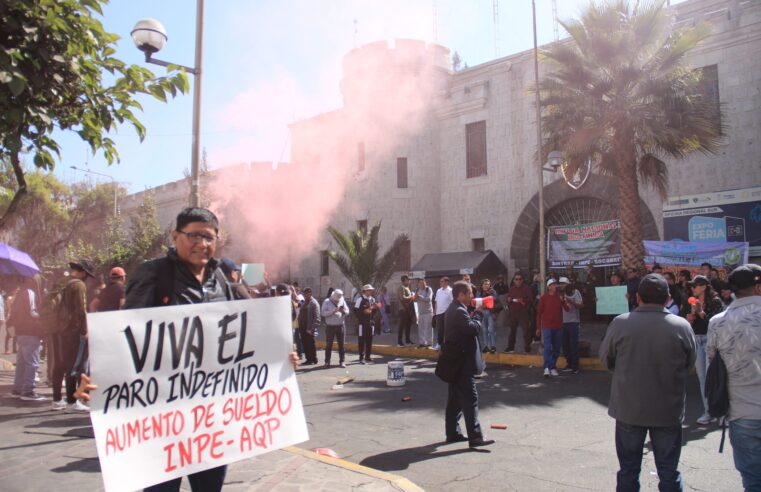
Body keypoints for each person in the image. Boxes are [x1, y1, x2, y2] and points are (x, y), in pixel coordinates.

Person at [599, 273, 696, 491]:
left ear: (638, 297)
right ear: (667, 298)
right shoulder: (681, 326)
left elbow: (606, 360)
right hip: (667, 410)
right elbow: (689, 363)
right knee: (669, 472)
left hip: (629, 409)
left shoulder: (620, 323)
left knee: (628, 470)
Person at [707, 264, 761, 490]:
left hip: (741, 413)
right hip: (742, 412)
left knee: (752, 480)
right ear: (758, 287)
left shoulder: (717, 322)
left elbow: (713, 362)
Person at [443, 280, 494, 449]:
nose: (472, 296)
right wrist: (478, 314)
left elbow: (463, 327)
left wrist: (472, 315)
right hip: (461, 363)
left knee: (455, 400)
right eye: (469, 293)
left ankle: (453, 433)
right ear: (461, 294)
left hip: (455, 361)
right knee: (470, 399)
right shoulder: (458, 311)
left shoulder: (456, 309)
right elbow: (472, 329)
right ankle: (475, 437)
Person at [51, 260, 95, 413]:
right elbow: (81, 310)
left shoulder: (62, 282)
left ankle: (58, 398)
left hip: (59, 328)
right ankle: (72, 401)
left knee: (61, 364)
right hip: (73, 330)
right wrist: (84, 330)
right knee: (74, 366)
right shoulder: (78, 285)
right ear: (82, 272)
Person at [682, 274, 725, 425]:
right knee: (703, 379)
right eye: (691, 286)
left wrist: (700, 312)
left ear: (704, 286)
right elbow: (687, 322)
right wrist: (689, 318)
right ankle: (708, 412)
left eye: (695, 286)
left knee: (714, 378)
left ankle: (722, 413)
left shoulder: (715, 301)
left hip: (710, 340)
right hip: (697, 339)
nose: (692, 288)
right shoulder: (691, 301)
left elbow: (715, 324)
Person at [10, 276, 45, 400]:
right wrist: (43, 315)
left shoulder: (20, 293)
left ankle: (17, 389)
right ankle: (27, 391)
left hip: (20, 331)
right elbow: (32, 312)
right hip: (30, 331)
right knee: (32, 363)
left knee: (22, 362)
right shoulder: (30, 293)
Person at [536, 278, 568, 378]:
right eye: (553, 285)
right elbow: (539, 313)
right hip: (547, 326)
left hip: (558, 326)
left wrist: (563, 301)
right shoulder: (544, 298)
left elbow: (567, 309)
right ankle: (546, 368)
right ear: (549, 287)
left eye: (555, 285)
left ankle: (552, 366)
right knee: (547, 347)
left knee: (557, 349)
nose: (555, 286)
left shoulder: (560, 297)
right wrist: (538, 328)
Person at [505, 272, 533, 354]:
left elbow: (531, 300)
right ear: (514, 280)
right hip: (513, 313)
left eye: (520, 279)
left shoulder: (527, 288)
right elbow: (508, 300)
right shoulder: (511, 289)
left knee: (526, 331)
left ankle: (527, 348)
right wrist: (508, 300)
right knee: (512, 331)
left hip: (523, 313)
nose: (518, 281)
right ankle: (510, 348)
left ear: (522, 280)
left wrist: (523, 301)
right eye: (516, 279)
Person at [560, 277, 583, 374]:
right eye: (560, 283)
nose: (562, 285)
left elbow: (581, 305)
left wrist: (570, 301)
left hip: (573, 321)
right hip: (562, 322)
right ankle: (569, 364)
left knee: (573, 344)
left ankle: (575, 366)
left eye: (564, 283)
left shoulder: (575, 292)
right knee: (565, 345)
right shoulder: (559, 293)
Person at [322, 288, 347, 368]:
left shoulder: (342, 299)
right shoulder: (326, 301)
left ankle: (342, 361)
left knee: (341, 345)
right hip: (330, 326)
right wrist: (333, 311)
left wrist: (343, 311)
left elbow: (347, 311)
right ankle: (327, 361)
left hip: (340, 326)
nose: (337, 301)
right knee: (329, 345)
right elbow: (323, 313)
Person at [354, 284, 379, 364]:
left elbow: (375, 311)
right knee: (361, 340)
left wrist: (375, 308)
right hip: (362, 324)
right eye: (368, 290)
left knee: (369, 340)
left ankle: (368, 357)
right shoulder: (360, 300)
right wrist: (363, 312)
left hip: (371, 324)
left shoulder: (373, 299)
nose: (370, 291)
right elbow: (355, 311)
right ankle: (361, 358)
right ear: (364, 291)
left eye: (371, 290)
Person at [298, 287, 320, 366]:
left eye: (307, 294)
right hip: (303, 327)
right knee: (305, 343)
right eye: (304, 294)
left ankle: (313, 359)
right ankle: (308, 359)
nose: (305, 295)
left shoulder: (314, 303)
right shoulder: (305, 302)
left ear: (310, 294)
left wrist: (311, 328)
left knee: (310, 344)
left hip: (309, 328)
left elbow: (317, 318)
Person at [475, 279, 498, 353]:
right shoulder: (479, 292)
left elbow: (493, 299)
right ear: (482, 285)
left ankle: (493, 346)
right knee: (484, 330)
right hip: (482, 313)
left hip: (491, 312)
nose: (486, 285)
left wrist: (484, 301)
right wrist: (485, 301)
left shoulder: (492, 292)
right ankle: (486, 346)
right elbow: (477, 302)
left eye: (488, 284)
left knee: (491, 330)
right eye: (485, 284)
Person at [433, 277, 453, 350]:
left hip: (446, 313)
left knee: (447, 329)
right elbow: (436, 301)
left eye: (442, 281)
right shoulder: (438, 290)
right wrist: (435, 311)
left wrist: (449, 311)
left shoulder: (450, 291)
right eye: (440, 281)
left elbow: (452, 302)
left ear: (446, 282)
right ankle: (439, 344)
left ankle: (448, 344)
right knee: (440, 329)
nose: (440, 283)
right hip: (439, 312)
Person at [414, 278, 434, 347]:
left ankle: (429, 343)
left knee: (428, 328)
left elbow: (429, 299)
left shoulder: (428, 289)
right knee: (421, 328)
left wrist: (420, 296)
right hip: (420, 312)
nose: (422, 284)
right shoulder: (417, 290)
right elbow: (415, 301)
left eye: (423, 282)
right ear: (418, 284)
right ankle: (422, 343)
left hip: (428, 312)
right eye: (420, 283)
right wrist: (414, 298)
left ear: (425, 282)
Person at [397, 275, 415, 346]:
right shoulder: (401, 287)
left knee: (408, 325)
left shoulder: (407, 288)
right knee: (402, 326)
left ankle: (407, 340)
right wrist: (412, 296)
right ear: (404, 280)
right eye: (408, 280)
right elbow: (403, 298)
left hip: (408, 309)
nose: (409, 281)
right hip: (403, 309)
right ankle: (399, 341)